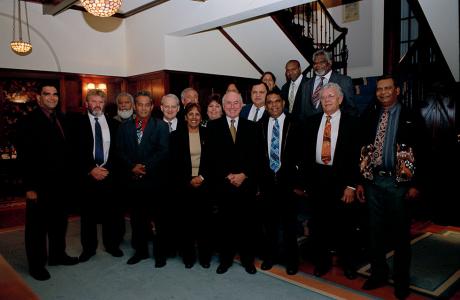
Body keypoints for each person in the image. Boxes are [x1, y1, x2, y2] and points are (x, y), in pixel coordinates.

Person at [356, 75, 427, 300]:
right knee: (374, 232)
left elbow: (425, 152)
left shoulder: (411, 117)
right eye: (379, 89)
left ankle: (401, 280)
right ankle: (378, 274)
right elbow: (361, 148)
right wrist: (360, 181)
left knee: (399, 234)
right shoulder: (370, 115)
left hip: (399, 184)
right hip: (373, 182)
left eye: (388, 88)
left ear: (397, 90)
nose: (383, 92)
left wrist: (417, 184)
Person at [297, 82, 361, 279]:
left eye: (331, 96)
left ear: (340, 99)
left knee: (345, 227)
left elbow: (357, 156)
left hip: (342, 182)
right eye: (323, 98)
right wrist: (306, 183)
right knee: (319, 226)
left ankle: (348, 264)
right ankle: (322, 263)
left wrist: (351, 185)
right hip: (317, 181)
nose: (327, 101)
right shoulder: (311, 121)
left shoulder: (352, 123)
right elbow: (305, 155)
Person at [16, 82, 78, 281]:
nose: (52, 97)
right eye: (47, 94)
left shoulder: (61, 118)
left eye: (55, 94)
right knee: (37, 228)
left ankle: (57, 255)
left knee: (59, 224)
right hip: (39, 186)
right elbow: (24, 159)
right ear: (38, 98)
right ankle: (36, 265)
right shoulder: (27, 122)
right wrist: (29, 188)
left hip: (62, 185)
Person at [202, 91, 260, 275]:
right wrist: (227, 175)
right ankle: (225, 260)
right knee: (225, 226)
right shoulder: (213, 127)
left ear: (242, 105)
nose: (232, 106)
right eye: (228, 103)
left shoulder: (253, 127)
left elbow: (257, 157)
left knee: (247, 226)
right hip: (223, 185)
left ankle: (247, 260)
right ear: (223, 106)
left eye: (236, 103)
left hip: (246, 185)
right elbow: (210, 158)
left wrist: (244, 174)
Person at [117, 91, 170, 267]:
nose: (144, 107)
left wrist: (144, 167)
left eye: (147, 104)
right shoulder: (124, 127)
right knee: (137, 220)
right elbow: (120, 152)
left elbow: (163, 151)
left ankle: (160, 255)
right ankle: (141, 252)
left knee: (160, 220)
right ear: (135, 106)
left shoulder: (161, 126)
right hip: (133, 182)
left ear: (152, 106)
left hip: (154, 181)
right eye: (140, 104)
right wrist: (132, 167)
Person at [73, 89, 125, 263]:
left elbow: (118, 152)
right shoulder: (77, 124)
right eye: (93, 101)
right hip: (88, 177)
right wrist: (90, 169)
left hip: (110, 177)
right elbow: (73, 152)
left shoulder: (115, 124)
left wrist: (107, 170)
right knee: (88, 216)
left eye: (100, 102)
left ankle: (112, 246)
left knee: (112, 214)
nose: (97, 105)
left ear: (104, 104)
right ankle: (89, 249)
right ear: (87, 104)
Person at [258, 91, 299, 275]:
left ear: (283, 102)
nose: (273, 105)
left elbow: (302, 154)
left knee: (290, 225)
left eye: (276, 101)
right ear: (265, 105)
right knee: (269, 224)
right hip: (267, 184)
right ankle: (270, 257)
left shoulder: (295, 123)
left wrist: (298, 181)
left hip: (288, 184)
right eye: (269, 102)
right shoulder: (260, 125)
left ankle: (292, 261)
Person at [170, 103, 212, 269]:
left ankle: (204, 257)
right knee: (186, 223)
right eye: (191, 114)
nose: (194, 117)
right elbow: (173, 164)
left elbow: (213, 161)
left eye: (197, 114)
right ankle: (188, 256)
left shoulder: (208, 134)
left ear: (201, 118)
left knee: (204, 223)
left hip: (204, 184)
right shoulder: (175, 136)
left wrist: (201, 177)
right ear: (185, 117)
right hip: (184, 185)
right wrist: (188, 179)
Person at [299, 50, 358, 120]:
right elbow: (303, 112)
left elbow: (350, 109)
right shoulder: (306, 85)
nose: (317, 65)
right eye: (315, 63)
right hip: (310, 127)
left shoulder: (344, 81)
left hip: (334, 125)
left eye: (321, 62)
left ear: (330, 63)